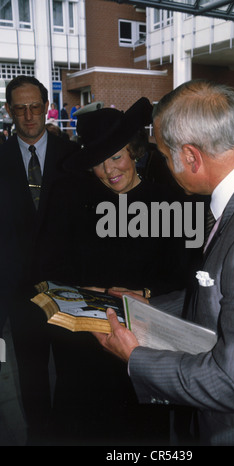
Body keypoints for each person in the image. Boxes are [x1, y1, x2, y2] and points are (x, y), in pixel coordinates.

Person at [92, 79, 234, 446]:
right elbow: (223, 294)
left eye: (163, 154)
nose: (162, 164)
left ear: (190, 156)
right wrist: (146, 307)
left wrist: (134, 357)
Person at [44, 97, 195, 445]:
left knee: (137, 434)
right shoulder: (78, 203)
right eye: (97, 162)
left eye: (116, 156)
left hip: (141, 344)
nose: (108, 170)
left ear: (135, 151)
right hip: (87, 347)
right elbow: (54, 264)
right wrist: (82, 286)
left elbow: (185, 274)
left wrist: (144, 294)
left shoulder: (169, 202)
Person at [0, 75, 79, 445]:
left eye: (35, 107)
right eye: (20, 108)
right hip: (19, 292)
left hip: (69, 289)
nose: (29, 116)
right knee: (31, 377)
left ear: (47, 107)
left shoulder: (74, 158)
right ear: (8, 110)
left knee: (71, 374)